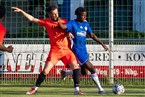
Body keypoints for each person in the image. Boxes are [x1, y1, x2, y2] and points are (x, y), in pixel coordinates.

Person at [12, 5, 83, 95]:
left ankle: (76, 90)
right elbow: (32, 19)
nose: (55, 15)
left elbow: (68, 28)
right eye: (53, 14)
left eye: (56, 13)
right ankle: (35, 88)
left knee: (76, 67)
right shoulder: (47, 22)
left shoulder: (64, 21)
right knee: (45, 71)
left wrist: (69, 32)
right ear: (49, 14)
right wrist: (22, 11)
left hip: (66, 50)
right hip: (55, 51)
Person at [58, 7, 109, 94]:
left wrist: (102, 43)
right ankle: (100, 89)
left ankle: (65, 73)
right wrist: (58, 20)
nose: (85, 17)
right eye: (83, 15)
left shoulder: (86, 23)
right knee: (92, 69)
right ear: (77, 15)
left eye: (86, 15)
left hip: (84, 50)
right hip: (77, 51)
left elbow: (92, 35)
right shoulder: (72, 23)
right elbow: (63, 27)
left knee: (84, 72)